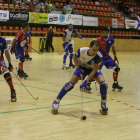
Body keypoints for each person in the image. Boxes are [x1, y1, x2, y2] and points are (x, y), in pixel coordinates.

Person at [52, 40, 108, 115]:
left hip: (92, 70)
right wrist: (78, 68)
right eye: (93, 50)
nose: (95, 52)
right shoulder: (82, 51)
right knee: (70, 84)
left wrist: (86, 81)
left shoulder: (99, 57)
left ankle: (103, 103)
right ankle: (56, 101)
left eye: (97, 50)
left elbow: (94, 71)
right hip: (81, 68)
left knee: (104, 84)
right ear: (89, 47)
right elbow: (74, 58)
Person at [93, 27, 123, 91]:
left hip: (107, 58)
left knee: (116, 68)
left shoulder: (111, 39)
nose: (104, 34)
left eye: (106, 33)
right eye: (103, 33)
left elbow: (113, 49)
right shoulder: (98, 39)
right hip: (99, 58)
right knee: (94, 71)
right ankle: (88, 83)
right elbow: (91, 46)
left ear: (108, 33)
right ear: (101, 33)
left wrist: (115, 57)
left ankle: (115, 83)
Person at [0, 29, 17, 102]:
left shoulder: (3, 40)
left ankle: (12, 90)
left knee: (7, 74)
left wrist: (10, 64)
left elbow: (6, 52)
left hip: (0, 59)